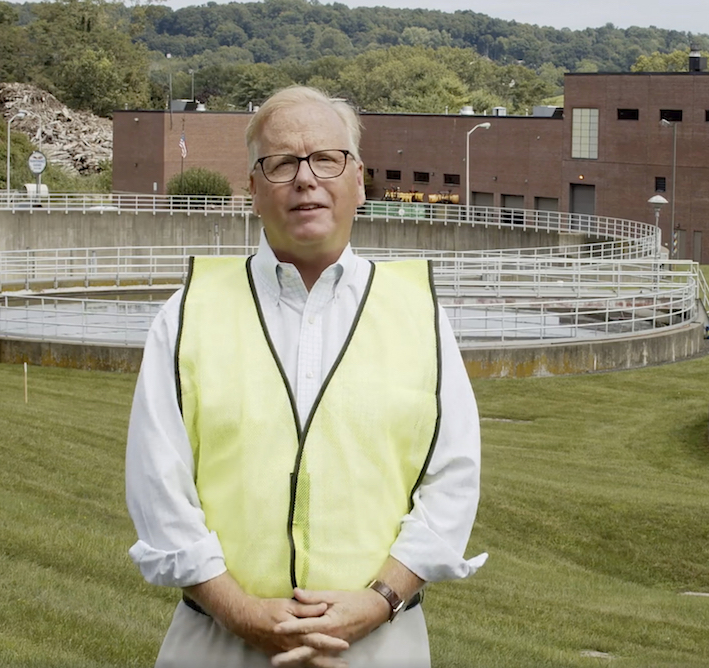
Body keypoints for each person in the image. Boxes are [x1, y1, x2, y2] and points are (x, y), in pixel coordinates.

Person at [125, 85, 485, 668]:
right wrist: (239, 611)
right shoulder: (188, 314)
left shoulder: (420, 314)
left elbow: (453, 482)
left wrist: (380, 600)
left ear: (359, 181)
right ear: (252, 190)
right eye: (281, 163)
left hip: (375, 646)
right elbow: (157, 488)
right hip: (218, 644)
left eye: (325, 158)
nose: (305, 177)